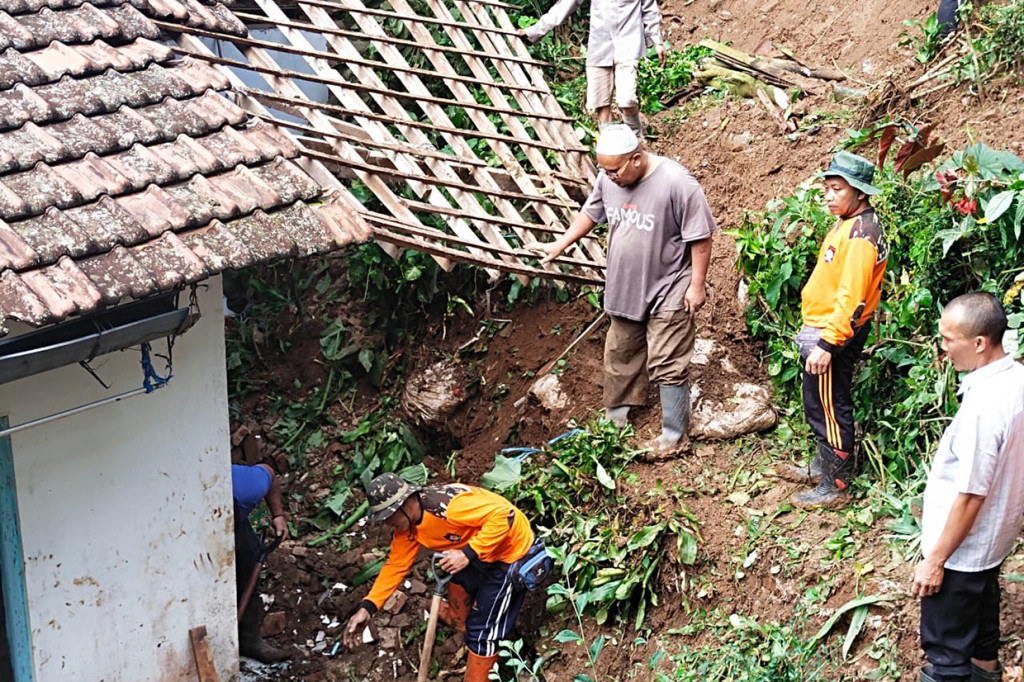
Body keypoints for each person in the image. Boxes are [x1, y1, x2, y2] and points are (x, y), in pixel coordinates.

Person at [528, 124, 714, 457]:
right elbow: (591, 212)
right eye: (603, 169)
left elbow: (700, 237)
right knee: (620, 351)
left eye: (614, 169)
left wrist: (696, 285)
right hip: (625, 284)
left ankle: (674, 436)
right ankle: (615, 420)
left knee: (667, 359)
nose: (608, 176)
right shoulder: (608, 178)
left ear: (637, 158)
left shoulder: (677, 183)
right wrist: (561, 243)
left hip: (669, 285)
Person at [912, 293, 1024, 682]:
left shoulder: (983, 408)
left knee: (945, 655)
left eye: (947, 339)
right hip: (991, 545)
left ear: (979, 342)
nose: (942, 348)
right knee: (982, 641)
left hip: (961, 552)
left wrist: (935, 561)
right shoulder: (1017, 379)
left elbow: (972, 493)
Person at [343, 473, 537, 681]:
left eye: (390, 516)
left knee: (483, 632)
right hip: (478, 549)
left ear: (407, 503)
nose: (389, 523)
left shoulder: (450, 508)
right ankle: (459, 621)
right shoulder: (408, 528)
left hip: (510, 554)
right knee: (456, 577)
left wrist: (468, 553)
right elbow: (396, 565)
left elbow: (506, 516)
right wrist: (368, 607)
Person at [778, 151, 888, 509]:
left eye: (837, 189)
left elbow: (852, 296)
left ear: (859, 192)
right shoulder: (849, 222)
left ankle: (836, 485)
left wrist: (827, 343)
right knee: (820, 401)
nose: (828, 196)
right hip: (826, 327)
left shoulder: (860, 235)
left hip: (834, 333)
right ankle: (823, 466)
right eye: (826, 188)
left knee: (829, 405)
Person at [522, 0, 665, 137]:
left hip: (628, 44)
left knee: (626, 100)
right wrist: (534, 31)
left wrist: (656, 41)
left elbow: (649, 9)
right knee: (601, 104)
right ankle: (609, 150)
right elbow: (565, 5)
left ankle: (635, 139)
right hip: (600, 45)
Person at [233, 463, 291, 663]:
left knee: (248, 565)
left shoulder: (245, 485)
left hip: (236, 524)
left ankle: (248, 640)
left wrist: (278, 516)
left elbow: (270, 473)